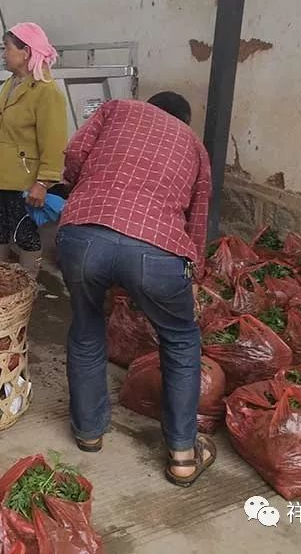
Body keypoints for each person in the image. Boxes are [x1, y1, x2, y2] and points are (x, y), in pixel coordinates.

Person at [55, 90, 214, 487]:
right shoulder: (195, 146)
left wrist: (85, 188)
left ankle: (89, 432)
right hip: (155, 249)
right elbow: (198, 218)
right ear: (184, 120)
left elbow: (74, 153)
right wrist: (194, 271)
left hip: (83, 235)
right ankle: (182, 455)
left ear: (149, 105)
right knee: (179, 339)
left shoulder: (118, 109)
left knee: (87, 325)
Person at [0, 23, 67, 279]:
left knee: (25, 236)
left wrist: (43, 182)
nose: (3, 54)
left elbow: (55, 143)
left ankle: (26, 287)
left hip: (23, 182)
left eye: (6, 48)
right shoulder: (11, 84)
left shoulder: (46, 91)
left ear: (26, 52)